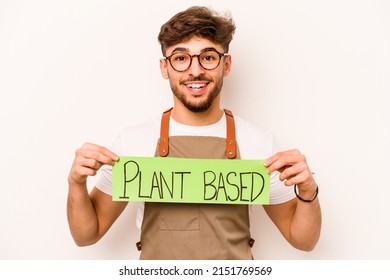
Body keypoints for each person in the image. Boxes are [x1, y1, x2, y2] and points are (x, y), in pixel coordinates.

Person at [67, 6, 321, 260]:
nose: (195, 70)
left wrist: (308, 192)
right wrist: (76, 183)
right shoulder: (134, 141)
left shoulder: (258, 143)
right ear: (165, 68)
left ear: (226, 64)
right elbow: (87, 234)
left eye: (208, 57)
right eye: (180, 58)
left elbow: (303, 240)